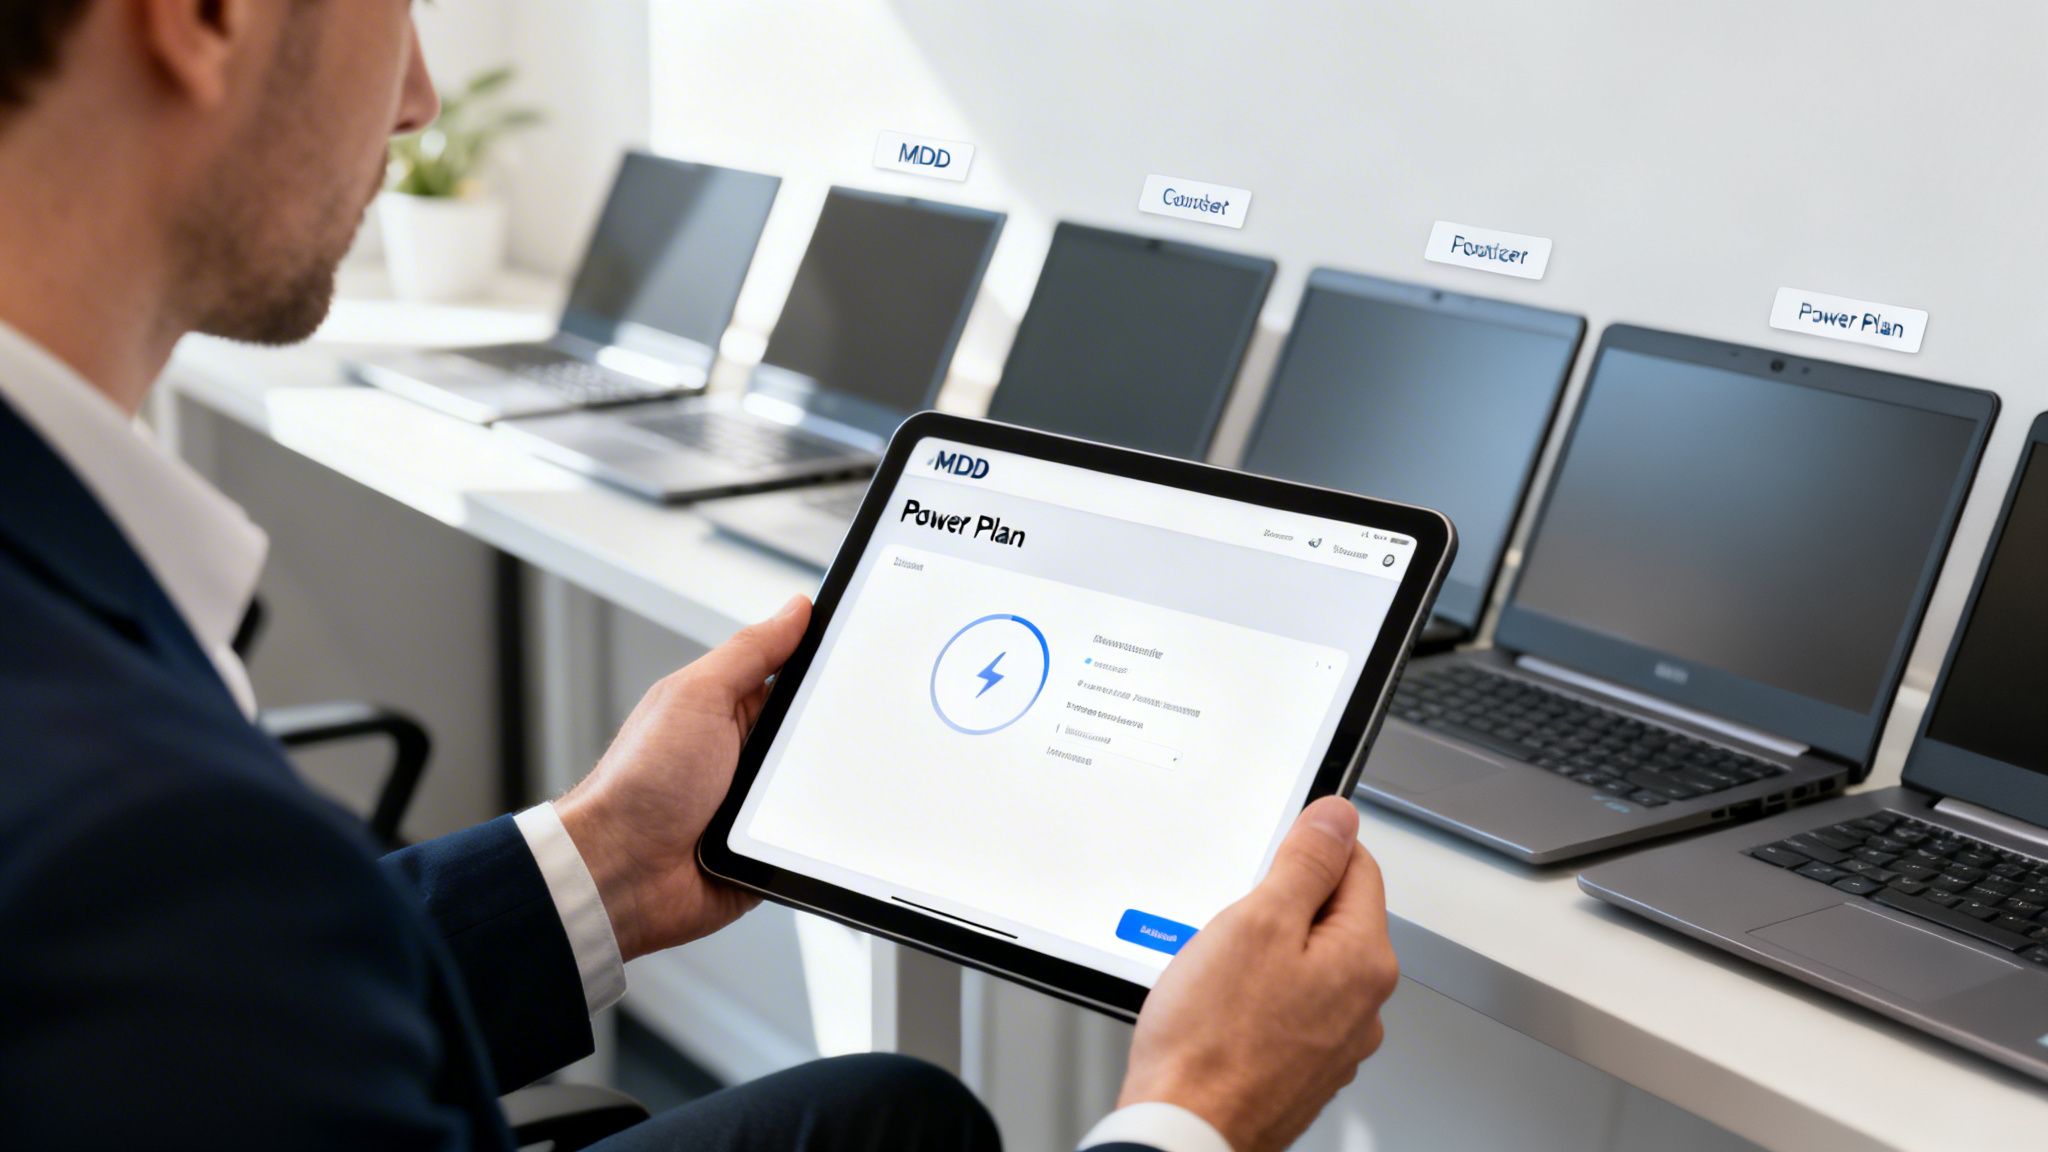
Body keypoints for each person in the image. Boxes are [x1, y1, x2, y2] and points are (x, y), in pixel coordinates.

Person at [0, 2, 1400, 1150]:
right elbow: (205, 950)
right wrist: (1196, 1119)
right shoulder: (146, 839)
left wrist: (604, 856)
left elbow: (239, 1013)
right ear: (203, 18)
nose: (420, 97)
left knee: (890, 1121)